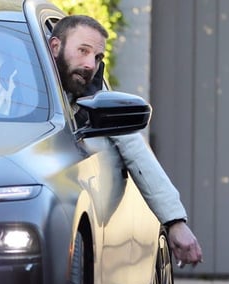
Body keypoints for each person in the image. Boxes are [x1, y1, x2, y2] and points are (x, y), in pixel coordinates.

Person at [49, 15, 203, 268]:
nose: (90, 65)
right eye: (83, 51)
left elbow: (135, 149)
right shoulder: (1, 82)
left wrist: (175, 222)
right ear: (55, 47)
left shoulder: (96, 99)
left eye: (97, 58)